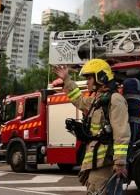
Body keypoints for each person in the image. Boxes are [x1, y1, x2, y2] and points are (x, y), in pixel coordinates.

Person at [54, 59, 130, 195]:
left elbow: (121, 132)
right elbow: (79, 100)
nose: (87, 81)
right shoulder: (98, 100)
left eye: (89, 78)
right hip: (96, 162)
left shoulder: (115, 99)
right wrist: (66, 79)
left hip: (105, 164)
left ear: (100, 77)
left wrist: (119, 162)